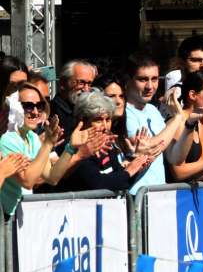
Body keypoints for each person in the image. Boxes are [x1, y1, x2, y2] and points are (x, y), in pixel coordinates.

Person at [0, 83, 93, 215]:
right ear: (14, 107)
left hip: (19, 217)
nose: (35, 112)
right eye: (28, 106)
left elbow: (52, 177)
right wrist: (48, 144)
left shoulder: (32, 137)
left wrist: (71, 147)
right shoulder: (8, 139)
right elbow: (27, 181)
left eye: (39, 106)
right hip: (5, 218)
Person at [53, 89, 155, 193]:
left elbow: (120, 180)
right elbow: (97, 183)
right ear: (81, 120)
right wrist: (129, 172)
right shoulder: (72, 146)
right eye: (98, 120)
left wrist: (136, 166)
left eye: (108, 119)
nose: (105, 126)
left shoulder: (107, 146)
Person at [122, 52, 188, 194]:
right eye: (143, 79)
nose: (150, 86)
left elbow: (173, 156)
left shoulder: (153, 110)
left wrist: (190, 124)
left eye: (155, 79)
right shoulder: (123, 112)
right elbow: (144, 150)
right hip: (135, 195)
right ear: (128, 79)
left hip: (158, 194)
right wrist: (177, 118)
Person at [49, 60, 96, 148]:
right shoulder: (50, 112)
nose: (86, 89)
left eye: (90, 84)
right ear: (63, 83)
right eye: (80, 82)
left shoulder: (91, 113)